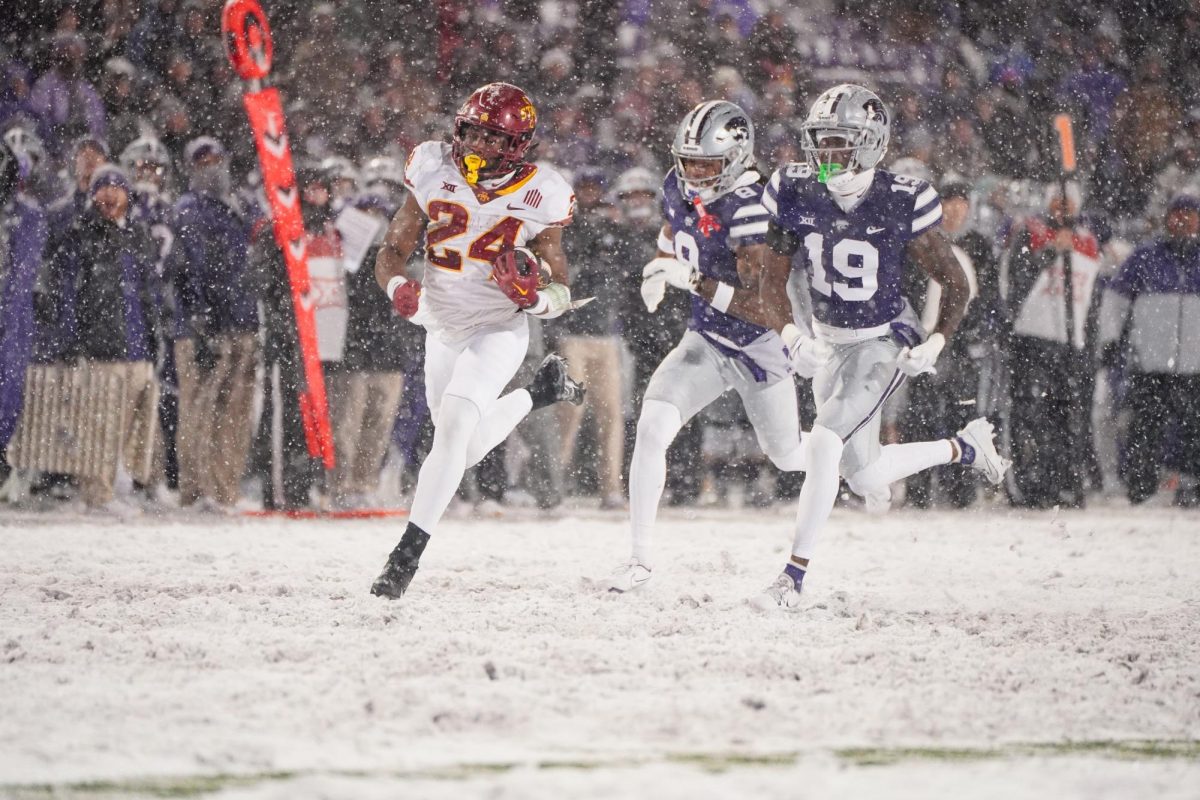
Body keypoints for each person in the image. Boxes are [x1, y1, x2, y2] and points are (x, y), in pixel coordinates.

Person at [670, 85, 1009, 609]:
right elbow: (771, 280)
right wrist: (790, 336)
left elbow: (955, 281)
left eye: (838, 143)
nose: (824, 156)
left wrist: (938, 339)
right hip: (827, 341)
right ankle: (964, 447)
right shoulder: (794, 187)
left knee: (824, 444)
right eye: (819, 143)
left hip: (881, 339)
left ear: (872, 144)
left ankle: (791, 580)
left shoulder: (903, 197)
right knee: (864, 471)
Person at [369, 82, 584, 599]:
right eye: (471, 132)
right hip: (440, 325)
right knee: (457, 453)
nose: (475, 146)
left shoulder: (543, 191)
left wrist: (533, 300)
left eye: (491, 139)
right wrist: (398, 286)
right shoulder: (430, 166)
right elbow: (391, 250)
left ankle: (404, 559)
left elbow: (561, 287)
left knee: (455, 428)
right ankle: (540, 393)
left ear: (516, 146)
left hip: (497, 327)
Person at [607, 101, 806, 592]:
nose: (694, 173)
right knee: (652, 425)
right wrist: (659, 264)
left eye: (706, 164)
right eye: (688, 161)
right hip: (706, 339)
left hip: (760, 346)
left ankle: (868, 456)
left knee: (791, 456)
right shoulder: (677, 186)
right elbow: (673, 228)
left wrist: (692, 280)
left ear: (736, 159)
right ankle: (639, 559)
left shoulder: (750, 207)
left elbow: (764, 306)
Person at [32, 165, 160, 509]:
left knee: (134, 428)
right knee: (99, 427)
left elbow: (150, 292)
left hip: (138, 348)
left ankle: (123, 487)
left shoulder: (138, 234)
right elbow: (67, 293)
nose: (111, 194)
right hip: (101, 349)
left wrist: (154, 336)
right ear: (92, 195)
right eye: (104, 187)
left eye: (118, 187)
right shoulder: (80, 235)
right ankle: (97, 493)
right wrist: (70, 341)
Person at [172, 136, 260, 510]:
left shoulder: (242, 203)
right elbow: (186, 267)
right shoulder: (187, 208)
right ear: (192, 167)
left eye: (217, 159)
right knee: (199, 409)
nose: (212, 167)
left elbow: (261, 251)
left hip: (242, 321)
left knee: (235, 412)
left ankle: (225, 489)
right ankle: (197, 490)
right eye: (203, 161)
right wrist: (198, 316)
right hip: (202, 327)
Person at [1098, 194, 1200, 504]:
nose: (1182, 221)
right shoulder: (1145, 257)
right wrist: (1110, 340)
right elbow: (1115, 301)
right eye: (1177, 215)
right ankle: (1140, 487)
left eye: (1190, 215)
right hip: (1150, 361)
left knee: (1194, 428)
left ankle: (1191, 486)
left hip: (1195, 363)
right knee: (1145, 426)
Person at [556, 168, 628, 509]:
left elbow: (631, 265)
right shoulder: (569, 227)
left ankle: (610, 488)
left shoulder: (614, 228)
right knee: (570, 411)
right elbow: (572, 267)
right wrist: (592, 229)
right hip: (574, 333)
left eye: (593, 188)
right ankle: (556, 484)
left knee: (611, 415)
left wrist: (613, 228)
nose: (589, 193)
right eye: (584, 188)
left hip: (606, 334)